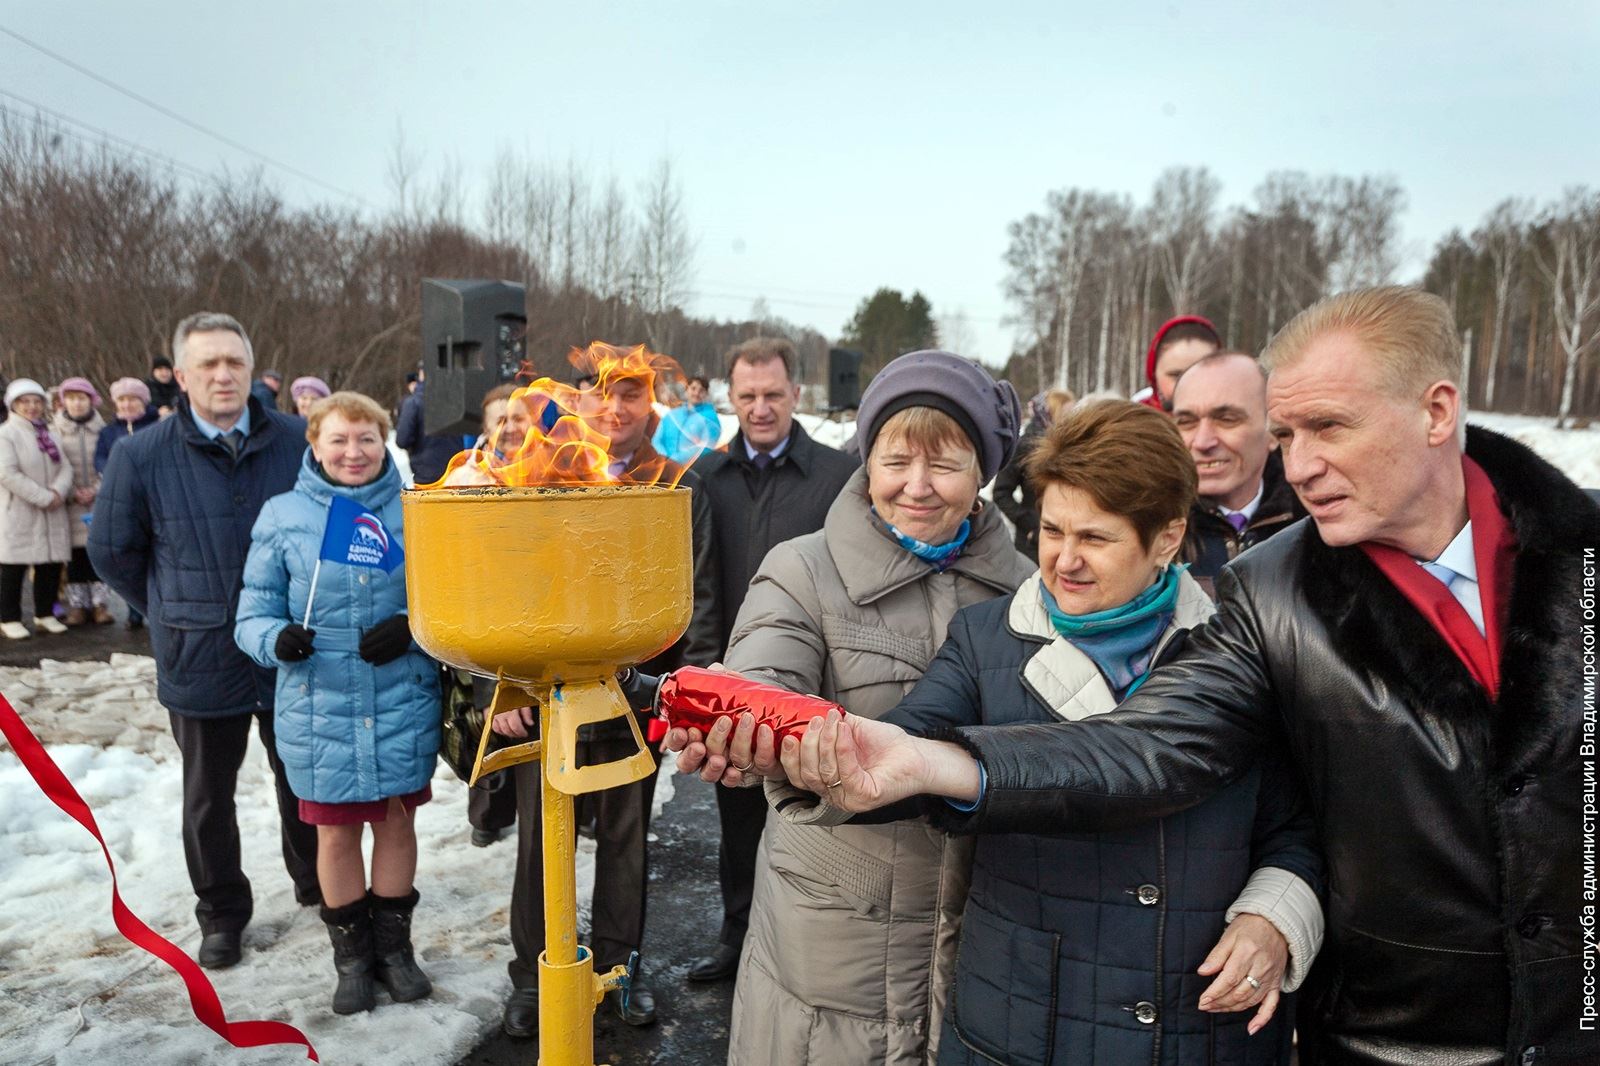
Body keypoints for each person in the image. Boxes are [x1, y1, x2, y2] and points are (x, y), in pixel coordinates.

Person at [758, 288, 1599, 1065]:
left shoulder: (1577, 560)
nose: (1297, 467)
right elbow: (1150, 748)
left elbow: (1292, 820)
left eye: (1328, 429)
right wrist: (923, 760)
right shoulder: (1272, 594)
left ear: (1436, 411)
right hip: (1373, 1041)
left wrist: (1277, 912)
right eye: (1287, 435)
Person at [683, 400, 1324, 1063]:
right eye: (1051, 531)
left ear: (1166, 538)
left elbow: (1293, 827)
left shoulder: (1237, 651)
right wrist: (810, 753)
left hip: (1192, 1024)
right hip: (1022, 1021)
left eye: (1095, 539)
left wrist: (1274, 916)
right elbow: (903, 748)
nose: (1064, 561)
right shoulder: (987, 637)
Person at [697, 350, 1034, 1064]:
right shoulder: (803, 570)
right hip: (833, 951)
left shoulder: (1032, 595)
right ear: (866, 462)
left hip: (988, 937)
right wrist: (743, 726)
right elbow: (768, 676)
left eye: (944, 464)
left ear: (982, 473)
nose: (917, 486)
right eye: (894, 460)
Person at [494, 347, 722, 1038]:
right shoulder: (538, 470)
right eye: (602, 394)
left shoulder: (676, 482)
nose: (614, 409)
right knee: (539, 843)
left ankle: (620, 972)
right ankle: (533, 980)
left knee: (626, 841)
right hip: (545, 692)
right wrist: (502, 692)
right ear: (581, 401)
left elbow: (698, 592)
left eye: (630, 396)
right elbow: (497, 589)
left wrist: (689, 689)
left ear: (649, 405)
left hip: (632, 695)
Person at [90, 312, 320, 970]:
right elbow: (112, 553)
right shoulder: (142, 453)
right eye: (209, 364)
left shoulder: (297, 439)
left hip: (290, 648)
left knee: (300, 776)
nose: (223, 375)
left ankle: (316, 883)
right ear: (182, 375)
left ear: (252, 371)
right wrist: (169, 606)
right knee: (208, 797)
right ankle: (221, 912)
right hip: (200, 652)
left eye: (235, 363)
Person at [235, 390, 439, 1015]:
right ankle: (352, 959)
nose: (354, 452)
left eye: (366, 439)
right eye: (339, 440)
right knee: (335, 834)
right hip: (319, 702)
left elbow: (456, 603)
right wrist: (276, 639)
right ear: (316, 446)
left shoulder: (418, 512)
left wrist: (414, 626)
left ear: (385, 442)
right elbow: (252, 612)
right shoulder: (283, 515)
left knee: (396, 821)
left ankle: (395, 951)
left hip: (399, 694)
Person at [680, 336, 859, 984]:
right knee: (737, 821)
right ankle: (738, 936)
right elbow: (695, 583)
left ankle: (807, 954)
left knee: (815, 824)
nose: (761, 408)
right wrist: (702, 678)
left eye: (773, 395)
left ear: (796, 395)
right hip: (729, 681)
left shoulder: (838, 476)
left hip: (816, 686)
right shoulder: (704, 477)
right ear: (731, 398)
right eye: (748, 396)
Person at [1170, 352, 1305, 599]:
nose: (1202, 441)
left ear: (1274, 432)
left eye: (1227, 420)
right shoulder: (1149, 526)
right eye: (1187, 422)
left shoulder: (1320, 523)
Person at [0, 378, 73, 639]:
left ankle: (44, 614)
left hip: (52, 507)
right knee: (13, 566)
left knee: (50, 564)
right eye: (25, 402)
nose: (31, 407)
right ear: (14, 405)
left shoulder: (50, 434)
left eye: (36, 402)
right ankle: (8, 617)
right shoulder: (6, 433)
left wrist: (58, 491)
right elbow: (7, 473)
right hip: (19, 509)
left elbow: (65, 466)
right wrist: (43, 496)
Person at [95, 378, 161, 629]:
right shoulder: (109, 432)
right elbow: (100, 458)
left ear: (143, 402)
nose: (127, 404)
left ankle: (154, 605)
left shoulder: (156, 426)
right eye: (122, 400)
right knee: (129, 553)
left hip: (153, 498)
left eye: (132, 399)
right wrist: (113, 473)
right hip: (122, 499)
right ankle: (134, 610)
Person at [52, 377, 110, 625]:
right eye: (72, 398)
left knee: (98, 554)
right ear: (64, 401)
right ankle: (78, 606)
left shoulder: (103, 430)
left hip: (99, 501)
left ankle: (100, 605)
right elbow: (52, 468)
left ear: (91, 400)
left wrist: (97, 489)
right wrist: (72, 491)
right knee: (75, 557)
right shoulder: (54, 431)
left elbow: (112, 463)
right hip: (70, 501)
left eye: (82, 398)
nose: (77, 403)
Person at [992, 387, 1074, 560]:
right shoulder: (1026, 445)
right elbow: (1001, 492)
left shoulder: (1073, 447)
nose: (1072, 419)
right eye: (1066, 413)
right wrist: (1028, 525)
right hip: (1032, 545)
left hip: (1067, 542)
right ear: (1051, 414)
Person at [1136, 314, 1221, 410]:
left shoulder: (1237, 420)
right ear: (1154, 375)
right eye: (1176, 375)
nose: (1189, 386)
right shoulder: (1133, 421)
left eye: (1201, 375)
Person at [394, 367, 459, 486]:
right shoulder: (456, 398)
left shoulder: (413, 402)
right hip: (457, 470)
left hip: (427, 474)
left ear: (421, 374)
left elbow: (402, 440)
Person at [651, 374, 721, 462]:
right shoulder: (672, 415)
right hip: (664, 468)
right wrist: (664, 458)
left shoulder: (711, 419)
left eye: (701, 390)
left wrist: (675, 461)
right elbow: (657, 440)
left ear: (706, 394)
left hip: (692, 471)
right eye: (693, 388)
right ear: (687, 389)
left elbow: (706, 448)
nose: (696, 393)